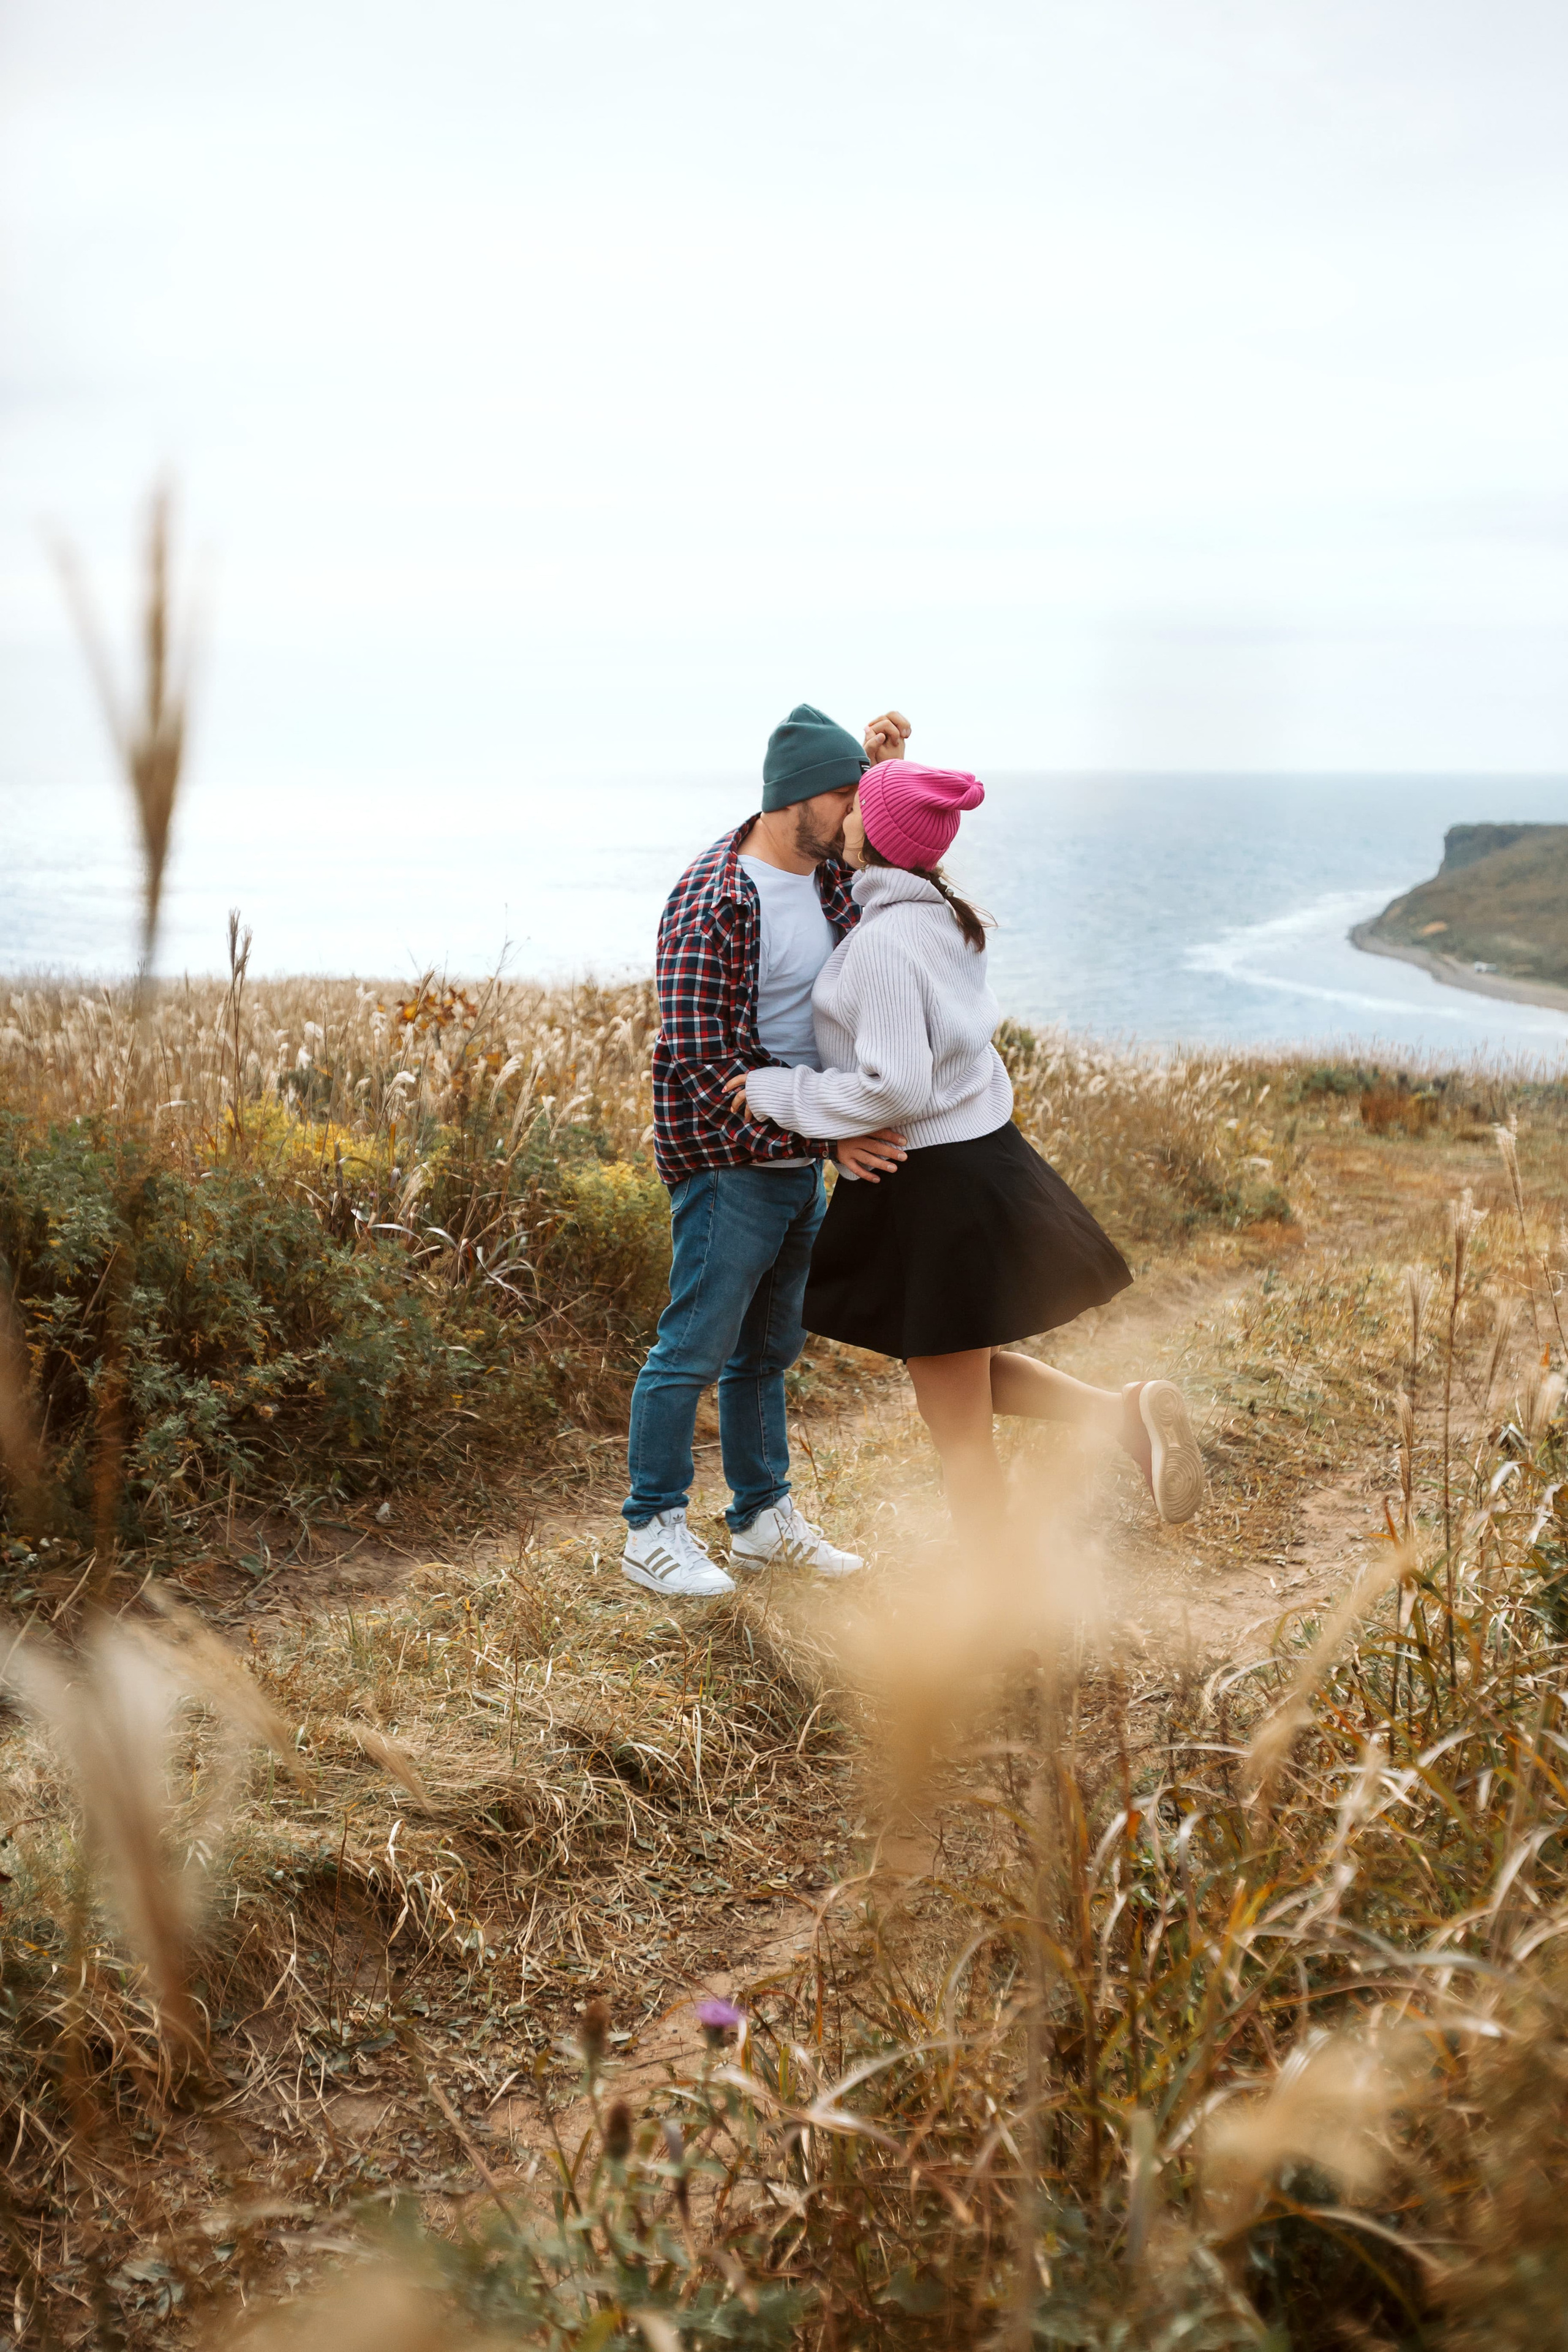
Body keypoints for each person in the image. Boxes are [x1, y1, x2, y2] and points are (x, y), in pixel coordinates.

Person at [727, 758, 1205, 1546]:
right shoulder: (944, 917)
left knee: (956, 1429)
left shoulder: (883, 943)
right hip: (977, 1163)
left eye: (856, 807)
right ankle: (1123, 1416)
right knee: (953, 1368)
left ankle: (991, 1596)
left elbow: (896, 1088)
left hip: (930, 1186)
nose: (842, 814)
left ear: (871, 836)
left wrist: (779, 1094)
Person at [620, 702, 915, 1599]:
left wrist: (884, 766)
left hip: (797, 1158)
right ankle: (651, 1527)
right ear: (796, 801)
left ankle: (757, 1519)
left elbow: (900, 846)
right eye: (845, 797)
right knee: (694, 1346)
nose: (857, 815)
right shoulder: (714, 903)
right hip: (726, 1162)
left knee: (767, 1351)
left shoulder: (826, 871)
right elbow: (705, 1067)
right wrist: (831, 1137)